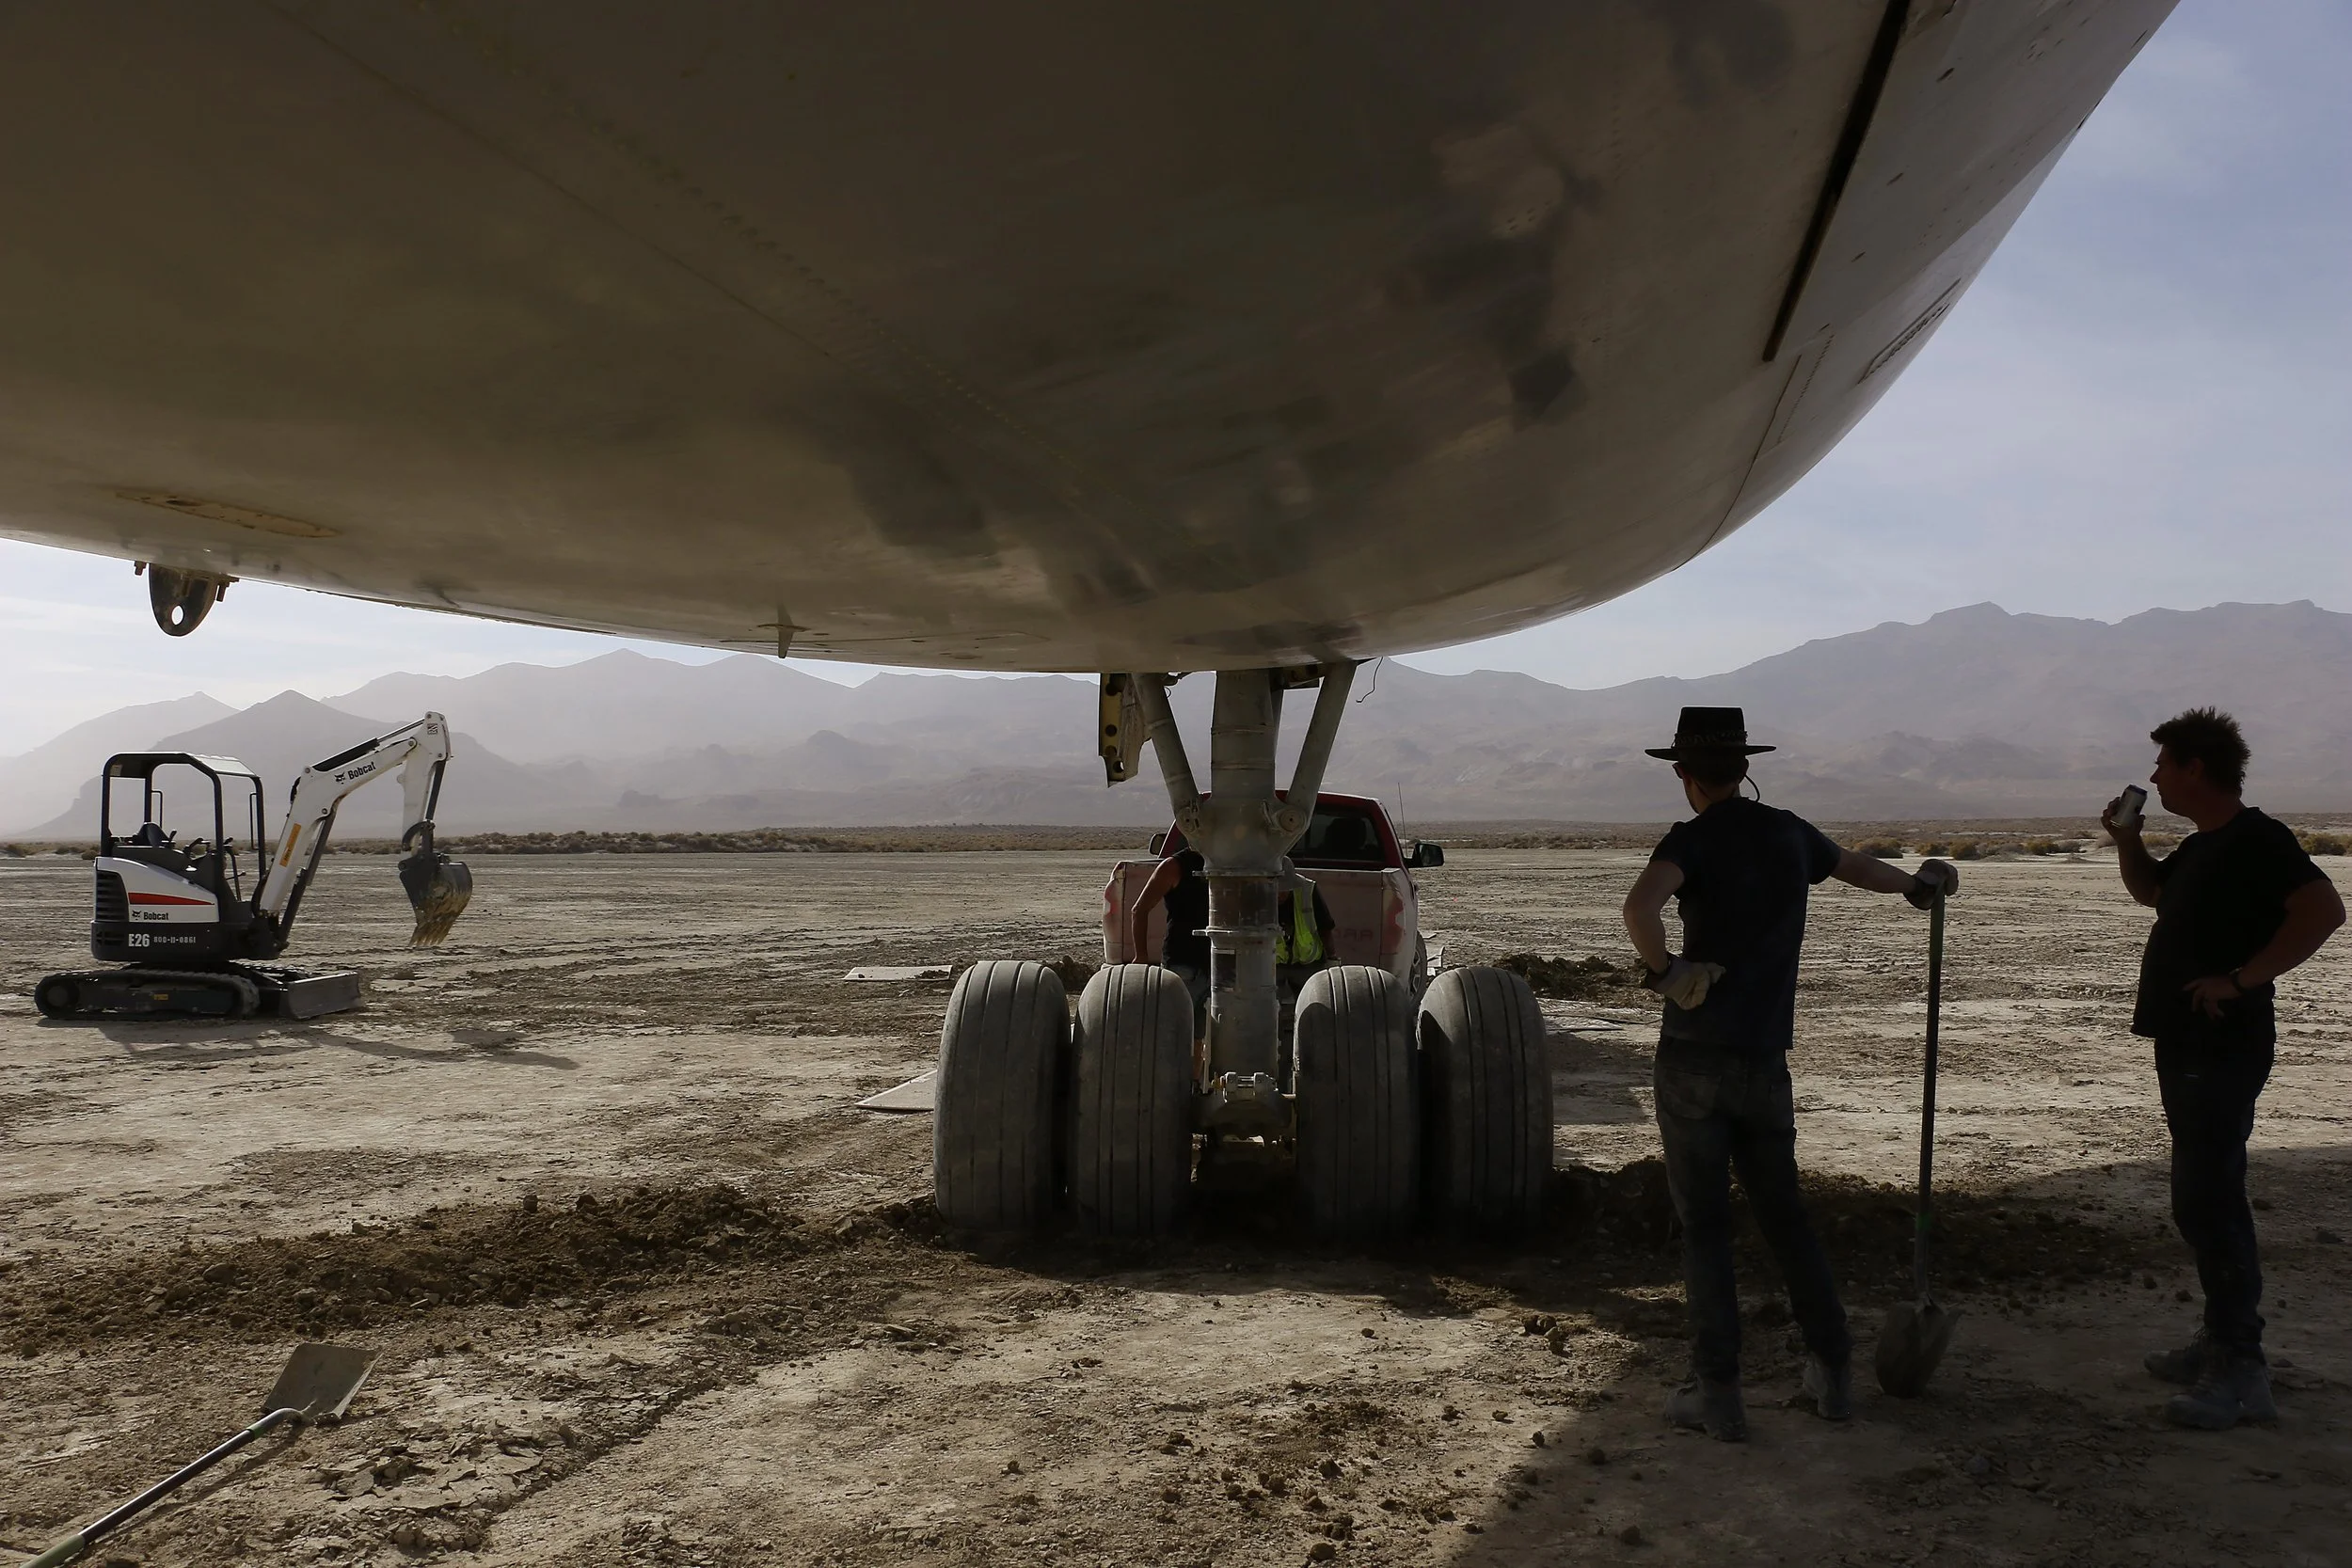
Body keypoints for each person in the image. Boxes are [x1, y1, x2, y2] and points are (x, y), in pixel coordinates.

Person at [1620, 706, 1958, 1442]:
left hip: (1695, 1060)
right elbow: (1858, 867)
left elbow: (1639, 907)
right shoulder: (1788, 831)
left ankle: (1718, 1395)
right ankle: (1833, 1374)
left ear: (1684, 774)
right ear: (1744, 768)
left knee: (1705, 1229)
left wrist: (1669, 972)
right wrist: (1915, 888)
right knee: (1787, 1218)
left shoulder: (1692, 840)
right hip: (1765, 1062)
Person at [2102, 708, 2344, 1431]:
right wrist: (2128, 842)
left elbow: (2325, 910)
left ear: (2194, 769)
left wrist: (2241, 979)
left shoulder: (2257, 840)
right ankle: (2221, 1340)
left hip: (2223, 1044)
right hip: (2187, 1042)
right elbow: (2152, 893)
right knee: (2201, 1195)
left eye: (2163, 765)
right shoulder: (2207, 845)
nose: (2152, 777)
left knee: (2210, 1198)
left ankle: (2240, 1367)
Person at [1128, 846, 1211, 1028]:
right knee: (1176, 1029)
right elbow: (1139, 910)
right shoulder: (1175, 866)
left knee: (1203, 1035)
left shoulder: (1225, 861)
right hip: (1183, 962)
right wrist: (1141, 956)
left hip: (1215, 963)